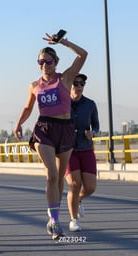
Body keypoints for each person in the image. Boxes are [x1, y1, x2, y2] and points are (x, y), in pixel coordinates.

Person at [13, 32, 88, 240]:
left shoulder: (65, 78)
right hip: (44, 129)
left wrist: (62, 42)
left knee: (60, 177)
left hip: (65, 129)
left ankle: (53, 213)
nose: (45, 65)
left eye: (49, 61)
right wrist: (19, 123)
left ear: (56, 62)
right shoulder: (34, 86)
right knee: (52, 174)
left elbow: (83, 54)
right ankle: (55, 221)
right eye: (41, 62)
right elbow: (28, 108)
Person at [65, 73, 99, 232]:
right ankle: (73, 220)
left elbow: (96, 126)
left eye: (81, 84)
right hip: (68, 150)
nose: (79, 87)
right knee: (74, 184)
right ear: (69, 85)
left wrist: (94, 133)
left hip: (86, 148)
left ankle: (77, 200)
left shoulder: (90, 104)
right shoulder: (63, 103)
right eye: (76, 83)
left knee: (91, 187)